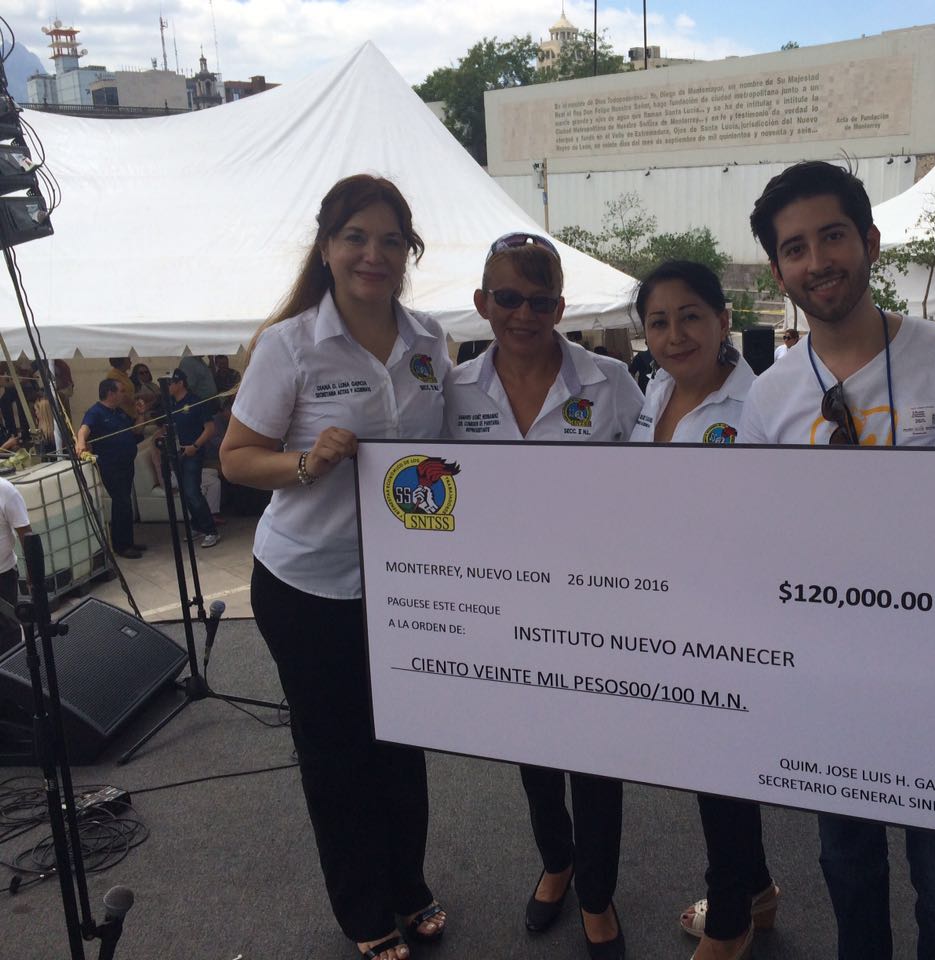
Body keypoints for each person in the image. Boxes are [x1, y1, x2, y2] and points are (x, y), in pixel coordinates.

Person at [741, 161, 935, 960]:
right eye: (795, 248)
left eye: (833, 236)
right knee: (847, 865)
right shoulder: (769, 397)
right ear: (778, 271)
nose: (819, 261)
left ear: (871, 242)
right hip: (829, 672)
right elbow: (754, 534)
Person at [219, 174, 451, 960]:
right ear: (327, 248)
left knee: (403, 743)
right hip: (308, 586)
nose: (372, 254)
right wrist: (306, 463)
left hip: (405, 585)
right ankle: (363, 911)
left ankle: (408, 884)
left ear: (408, 251)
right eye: (356, 237)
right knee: (337, 754)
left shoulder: (430, 342)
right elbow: (236, 458)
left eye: (390, 240)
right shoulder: (289, 345)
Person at [444, 232, 643, 960]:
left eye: (540, 301)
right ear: (482, 302)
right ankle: (556, 861)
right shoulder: (453, 391)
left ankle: (596, 892)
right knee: (532, 749)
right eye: (508, 298)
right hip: (505, 605)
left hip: (595, 603)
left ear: (561, 307)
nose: (523, 314)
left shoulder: (611, 382)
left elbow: (653, 486)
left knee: (595, 755)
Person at [629, 260, 779, 960]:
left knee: (721, 764)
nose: (674, 335)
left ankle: (729, 923)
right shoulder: (655, 389)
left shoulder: (760, 403)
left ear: (724, 320)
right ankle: (757, 892)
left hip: (733, 612)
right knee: (705, 760)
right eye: (658, 322)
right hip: (670, 605)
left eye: (690, 316)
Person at [75, 379, 146, 559]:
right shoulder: (96, 412)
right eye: (121, 391)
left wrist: (140, 414)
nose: (124, 394)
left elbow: (137, 431)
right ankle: (122, 546)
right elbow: (83, 430)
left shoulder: (119, 412)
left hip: (126, 463)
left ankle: (127, 541)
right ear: (110, 393)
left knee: (124, 503)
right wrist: (81, 443)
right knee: (122, 501)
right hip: (111, 465)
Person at [158, 368, 219, 548]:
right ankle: (197, 525)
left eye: (170, 383)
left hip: (192, 452)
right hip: (176, 452)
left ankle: (211, 530)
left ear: (180, 383)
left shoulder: (195, 402)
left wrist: (195, 446)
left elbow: (210, 429)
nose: (168, 387)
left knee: (192, 491)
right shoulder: (170, 403)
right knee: (185, 493)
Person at [0, 476, 32, 655]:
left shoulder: (5, 490)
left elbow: (26, 534)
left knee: (7, 633)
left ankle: (12, 666)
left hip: (3, 576)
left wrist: (32, 574)